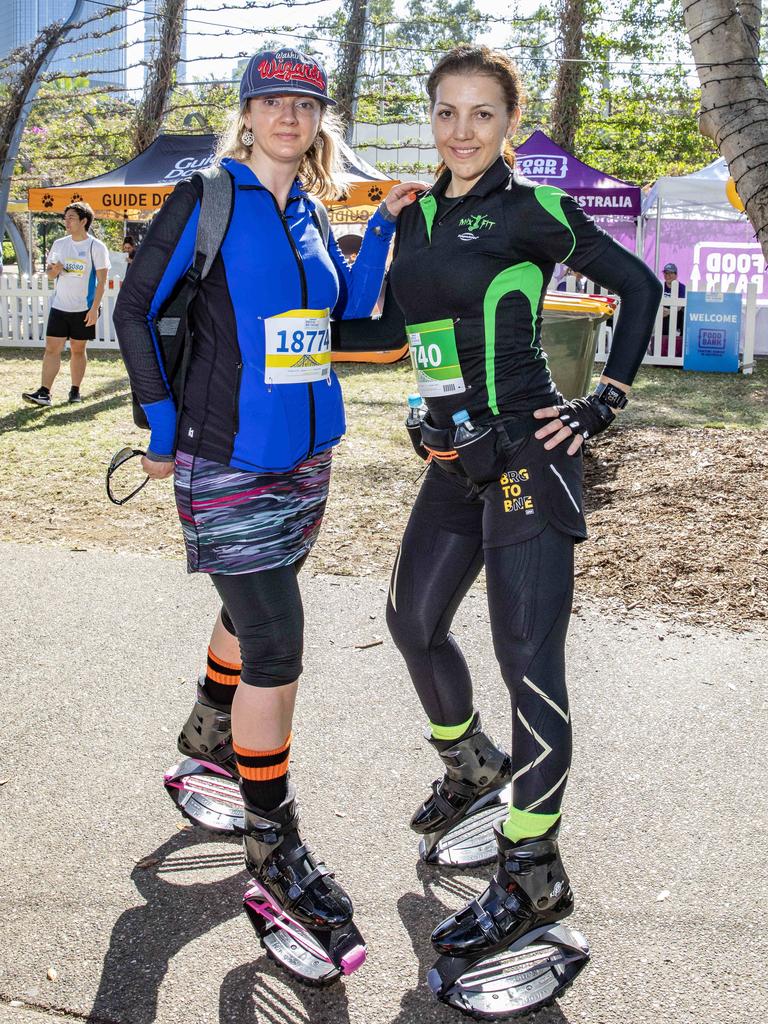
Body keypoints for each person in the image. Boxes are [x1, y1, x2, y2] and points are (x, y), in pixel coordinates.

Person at [113, 48, 421, 951]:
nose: (290, 114)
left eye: (305, 103)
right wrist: (162, 428)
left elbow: (348, 317)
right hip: (227, 460)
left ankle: (211, 732)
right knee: (277, 646)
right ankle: (272, 841)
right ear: (246, 113)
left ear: (320, 119)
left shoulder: (312, 215)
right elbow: (134, 313)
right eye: (273, 100)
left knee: (250, 609)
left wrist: (386, 232)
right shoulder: (206, 200)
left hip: (305, 462)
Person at [385, 45, 661, 963]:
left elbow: (639, 285)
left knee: (528, 663)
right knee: (413, 621)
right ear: (432, 119)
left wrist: (602, 404)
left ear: (509, 124)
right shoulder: (414, 217)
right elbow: (399, 336)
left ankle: (533, 872)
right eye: (447, 113)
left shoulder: (533, 208)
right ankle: (471, 768)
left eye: (483, 114)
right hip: (450, 461)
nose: (462, 131)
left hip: (527, 460)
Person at [22, 202, 110, 406]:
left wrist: (94, 308)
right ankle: (44, 392)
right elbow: (51, 274)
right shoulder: (60, 244)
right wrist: (56, 270)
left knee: (78, 350)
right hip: (60, 306)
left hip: (84, 308)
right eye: (65, 217)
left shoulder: (96, 247)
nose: (66, 221)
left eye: (71, 217)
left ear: (84, 221)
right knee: (52, 348)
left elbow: (102, 282)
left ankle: (75, 391)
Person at [661, 261, 686, 354]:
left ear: (676, 275)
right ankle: (663, 348)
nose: (668, 275)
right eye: (666, 273)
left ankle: (681, 348)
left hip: (676, 314)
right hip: (662, 313)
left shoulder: (682, 287)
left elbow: (681, 305)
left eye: (671, 273)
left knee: (684, 315)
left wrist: (670, 311)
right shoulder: (661, 286)